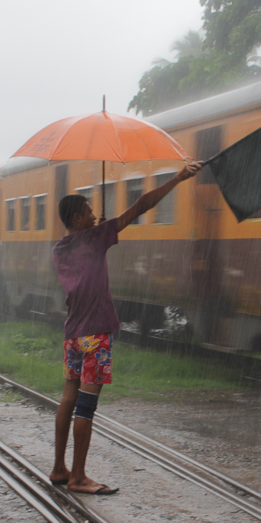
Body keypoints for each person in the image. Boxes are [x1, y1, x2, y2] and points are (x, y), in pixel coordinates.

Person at [50, 161, 202, 494]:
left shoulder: (60, 248)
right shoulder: (95, 237)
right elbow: (140, 206)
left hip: (72, 333)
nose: (93, 215)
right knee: (87, 406)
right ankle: (78, 477)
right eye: (88, 212)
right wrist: (177, 177)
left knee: (67, 399)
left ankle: (59, 468)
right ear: (76, 218)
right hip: (95, 334)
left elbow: (85, 253)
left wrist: (97, 231)